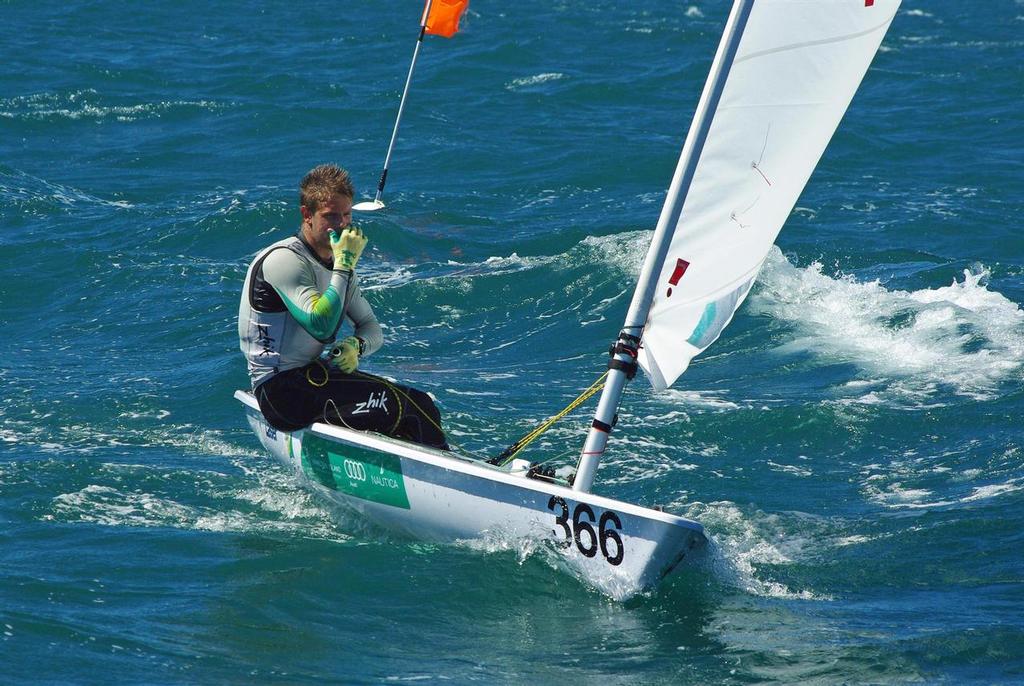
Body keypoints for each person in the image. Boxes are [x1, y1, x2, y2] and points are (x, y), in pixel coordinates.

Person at [238, 163, 448, 449]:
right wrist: (345, 265)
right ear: (306, 215)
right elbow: (321, 327)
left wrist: (356, 347)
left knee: (418, 404)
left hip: (311, 378)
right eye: (330, 216)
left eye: (346, 215)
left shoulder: (339, 266)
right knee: (412, 408)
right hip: (281, 394)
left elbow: (371, 327)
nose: (341, 224)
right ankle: (444, 480)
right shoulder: (284, 260)